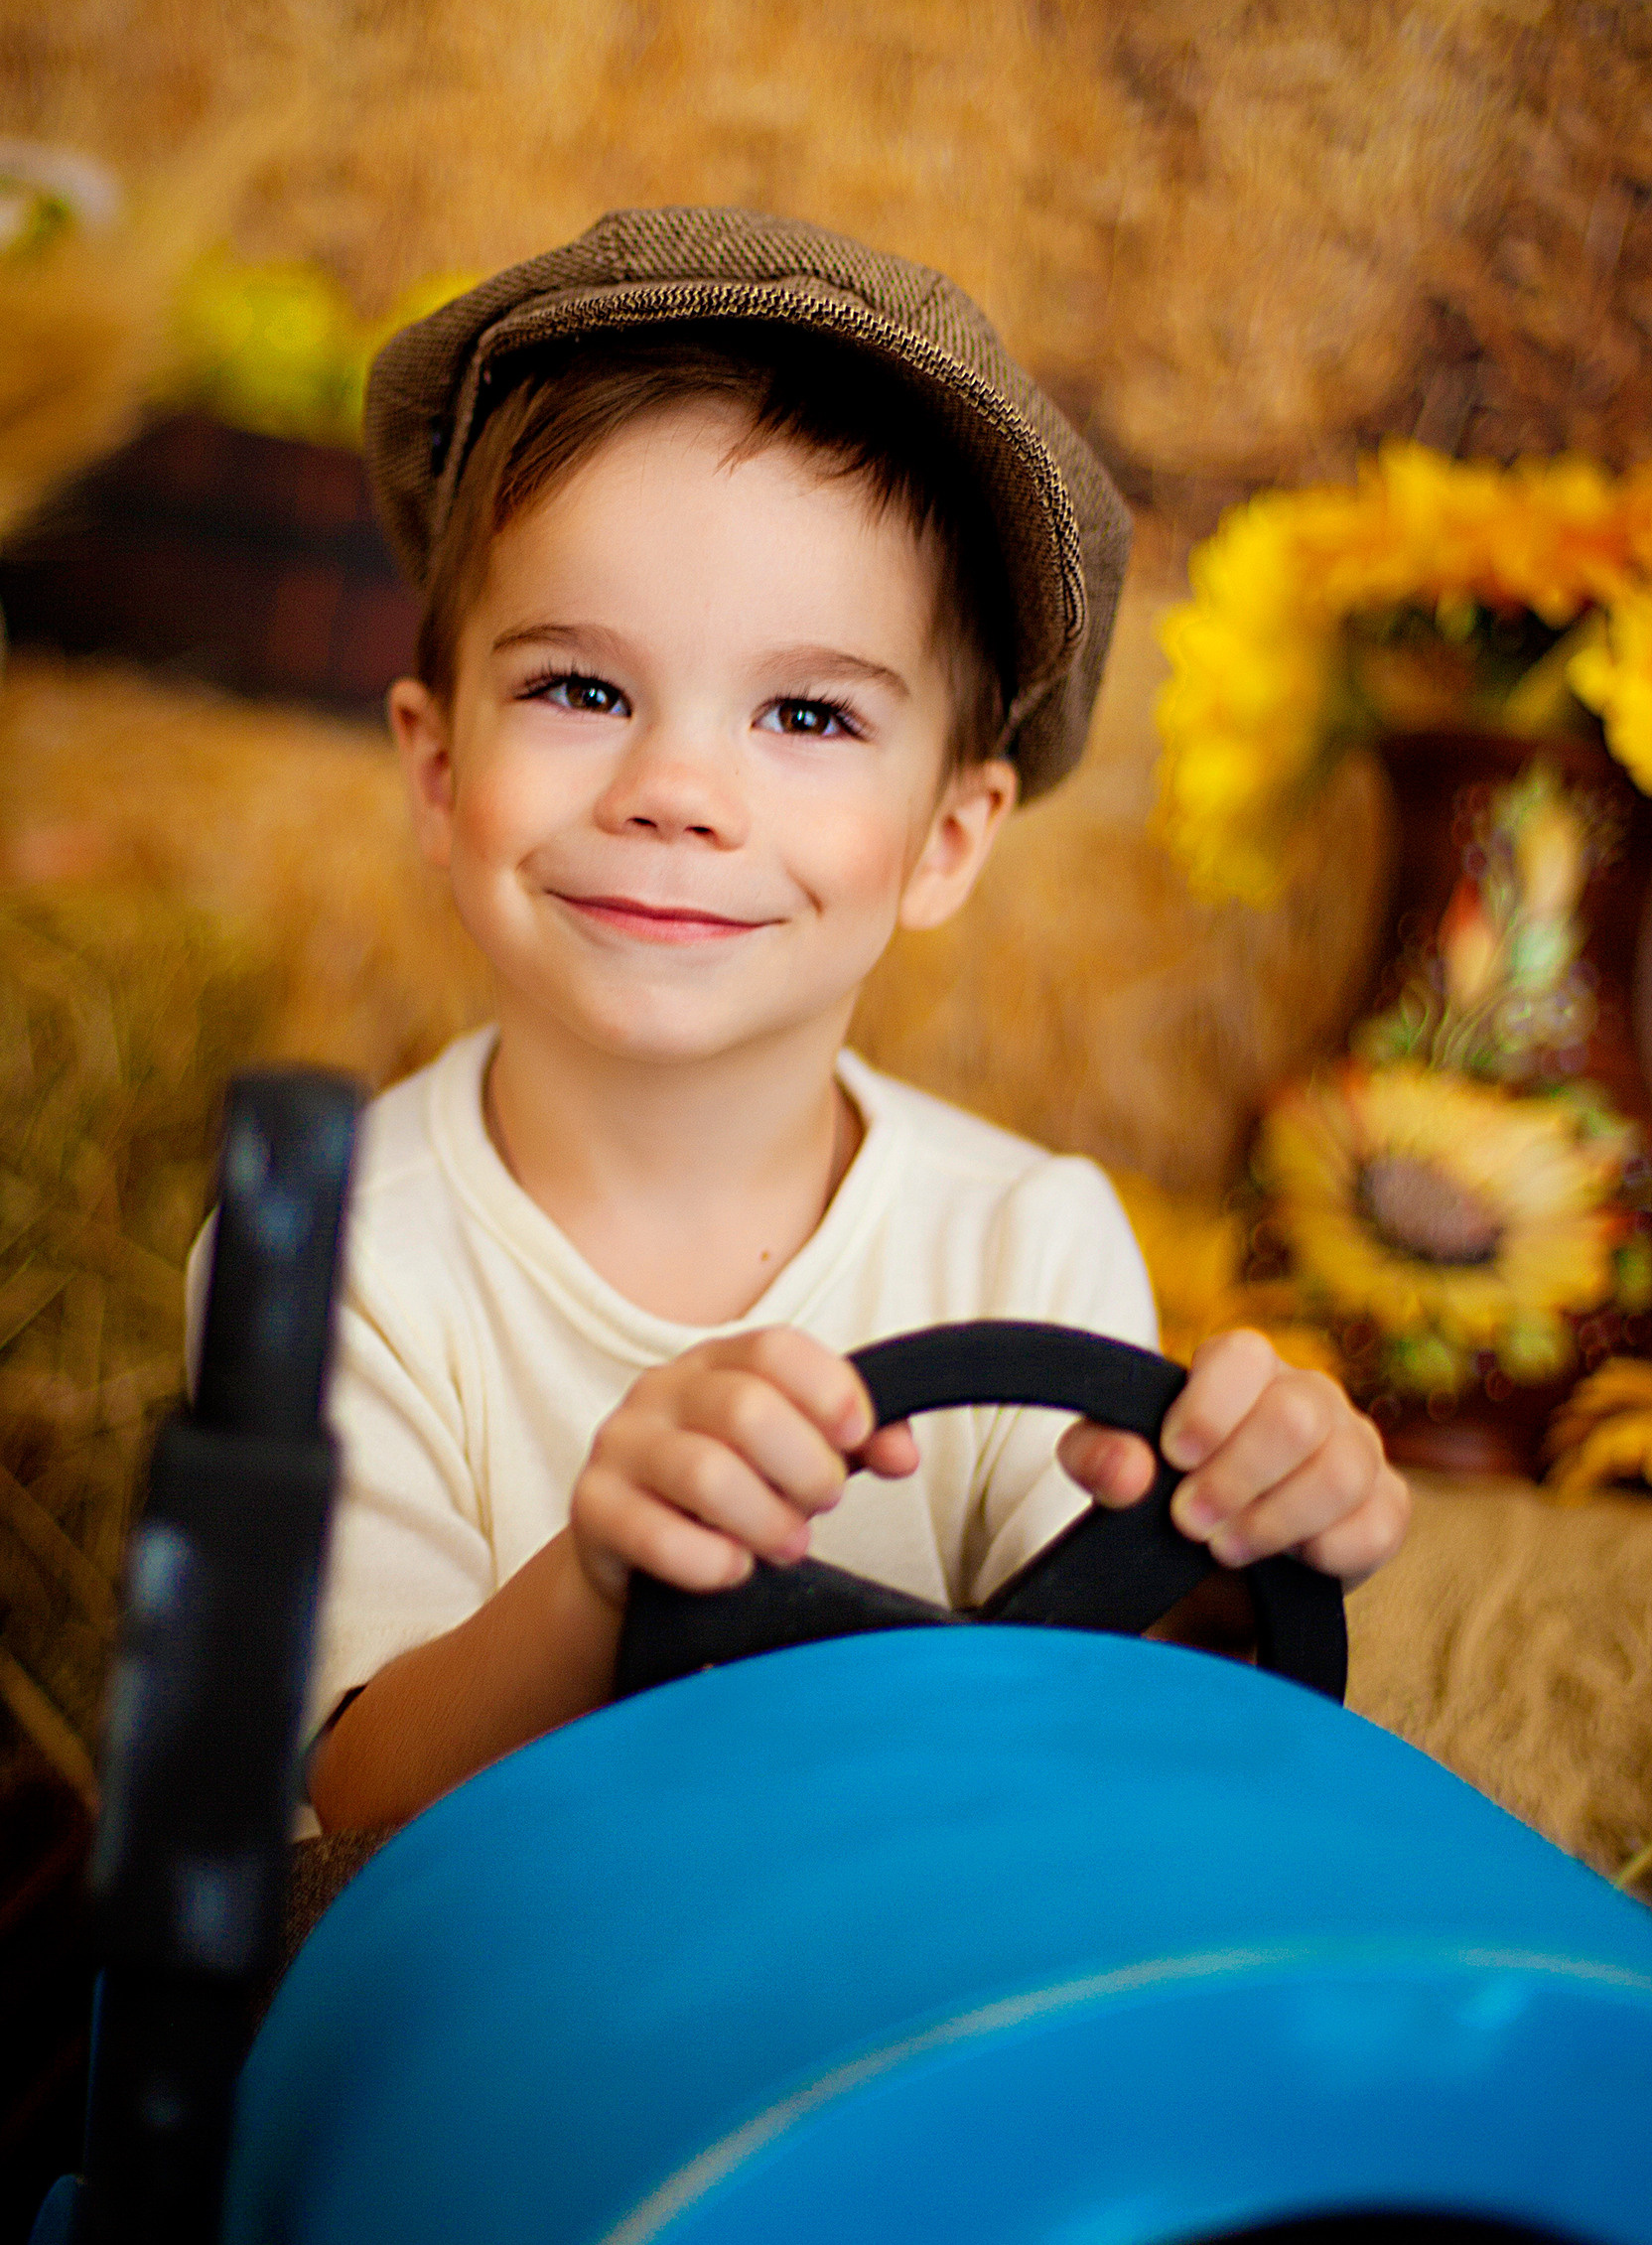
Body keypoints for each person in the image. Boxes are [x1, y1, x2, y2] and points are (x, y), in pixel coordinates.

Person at [300, 209, 1408, 1833]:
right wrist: (602, 1581)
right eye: (580, 689)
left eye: (808, 714)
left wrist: (1239, 1551)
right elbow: (358, 1801)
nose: (676, 791)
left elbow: (1092, 1768)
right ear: (438, 766)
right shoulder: (338, 1255)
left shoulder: (1025, 1240)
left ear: (950, 839)